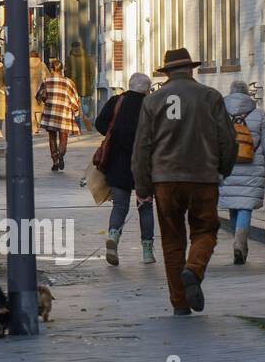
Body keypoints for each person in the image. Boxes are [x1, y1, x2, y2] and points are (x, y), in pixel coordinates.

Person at [132, 48, 237, 315]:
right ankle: (194, 269)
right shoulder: (210, 97)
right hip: (202, 177)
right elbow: (228, 140)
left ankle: (179, 303)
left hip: (165, 180)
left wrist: (143, 186)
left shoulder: (152, 100)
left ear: (166, 72)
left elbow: (143, 146)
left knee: (171, 240)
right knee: (205, 230)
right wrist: (222, 169)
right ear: (191, 69)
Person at [95, 72, 156, 266]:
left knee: (120, 206)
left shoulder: (116, 101)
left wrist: (113, 134)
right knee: (145, 207)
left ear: (130, 85)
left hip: (118, 163)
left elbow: (100, 124)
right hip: (143, 165)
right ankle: (147, 252)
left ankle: (113, 235)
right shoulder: (150, 105)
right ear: (146, 89)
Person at [220, 79, 265, 265]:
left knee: (233, 203)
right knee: (245, 205)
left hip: (227, 167)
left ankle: (238, 240)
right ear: (247, 94)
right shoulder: (259, 114)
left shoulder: (220, 113)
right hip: (252, 167)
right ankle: (240, 242)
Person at [35, 58, 80, 172]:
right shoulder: (69, 82)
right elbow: (74, 99)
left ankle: (55, 160)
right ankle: (61, 155)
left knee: (52, 137)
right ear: (62, 69)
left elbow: (38, 96)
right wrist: (76, 110)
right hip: (64, 113)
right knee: (63, 137)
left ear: (51, 69)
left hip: (50, 113)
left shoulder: (46, 81)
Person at [68, 39, 96, 126]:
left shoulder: (69, 59)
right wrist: (90, 82)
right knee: (85, 103)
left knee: (75, 104)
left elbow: (67, 72)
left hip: (73, 84)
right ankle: (86, 117)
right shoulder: (88, 58)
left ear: (72, 47)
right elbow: (92, 71)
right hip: (86, 85)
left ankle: (77, 122)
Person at [28, 49, 47, 133]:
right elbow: (48, 76)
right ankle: (39, 124)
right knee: (39, 107)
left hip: (28, 90)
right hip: (40, 90)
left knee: (31, 109)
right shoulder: (42, 65)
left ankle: (33, 127)